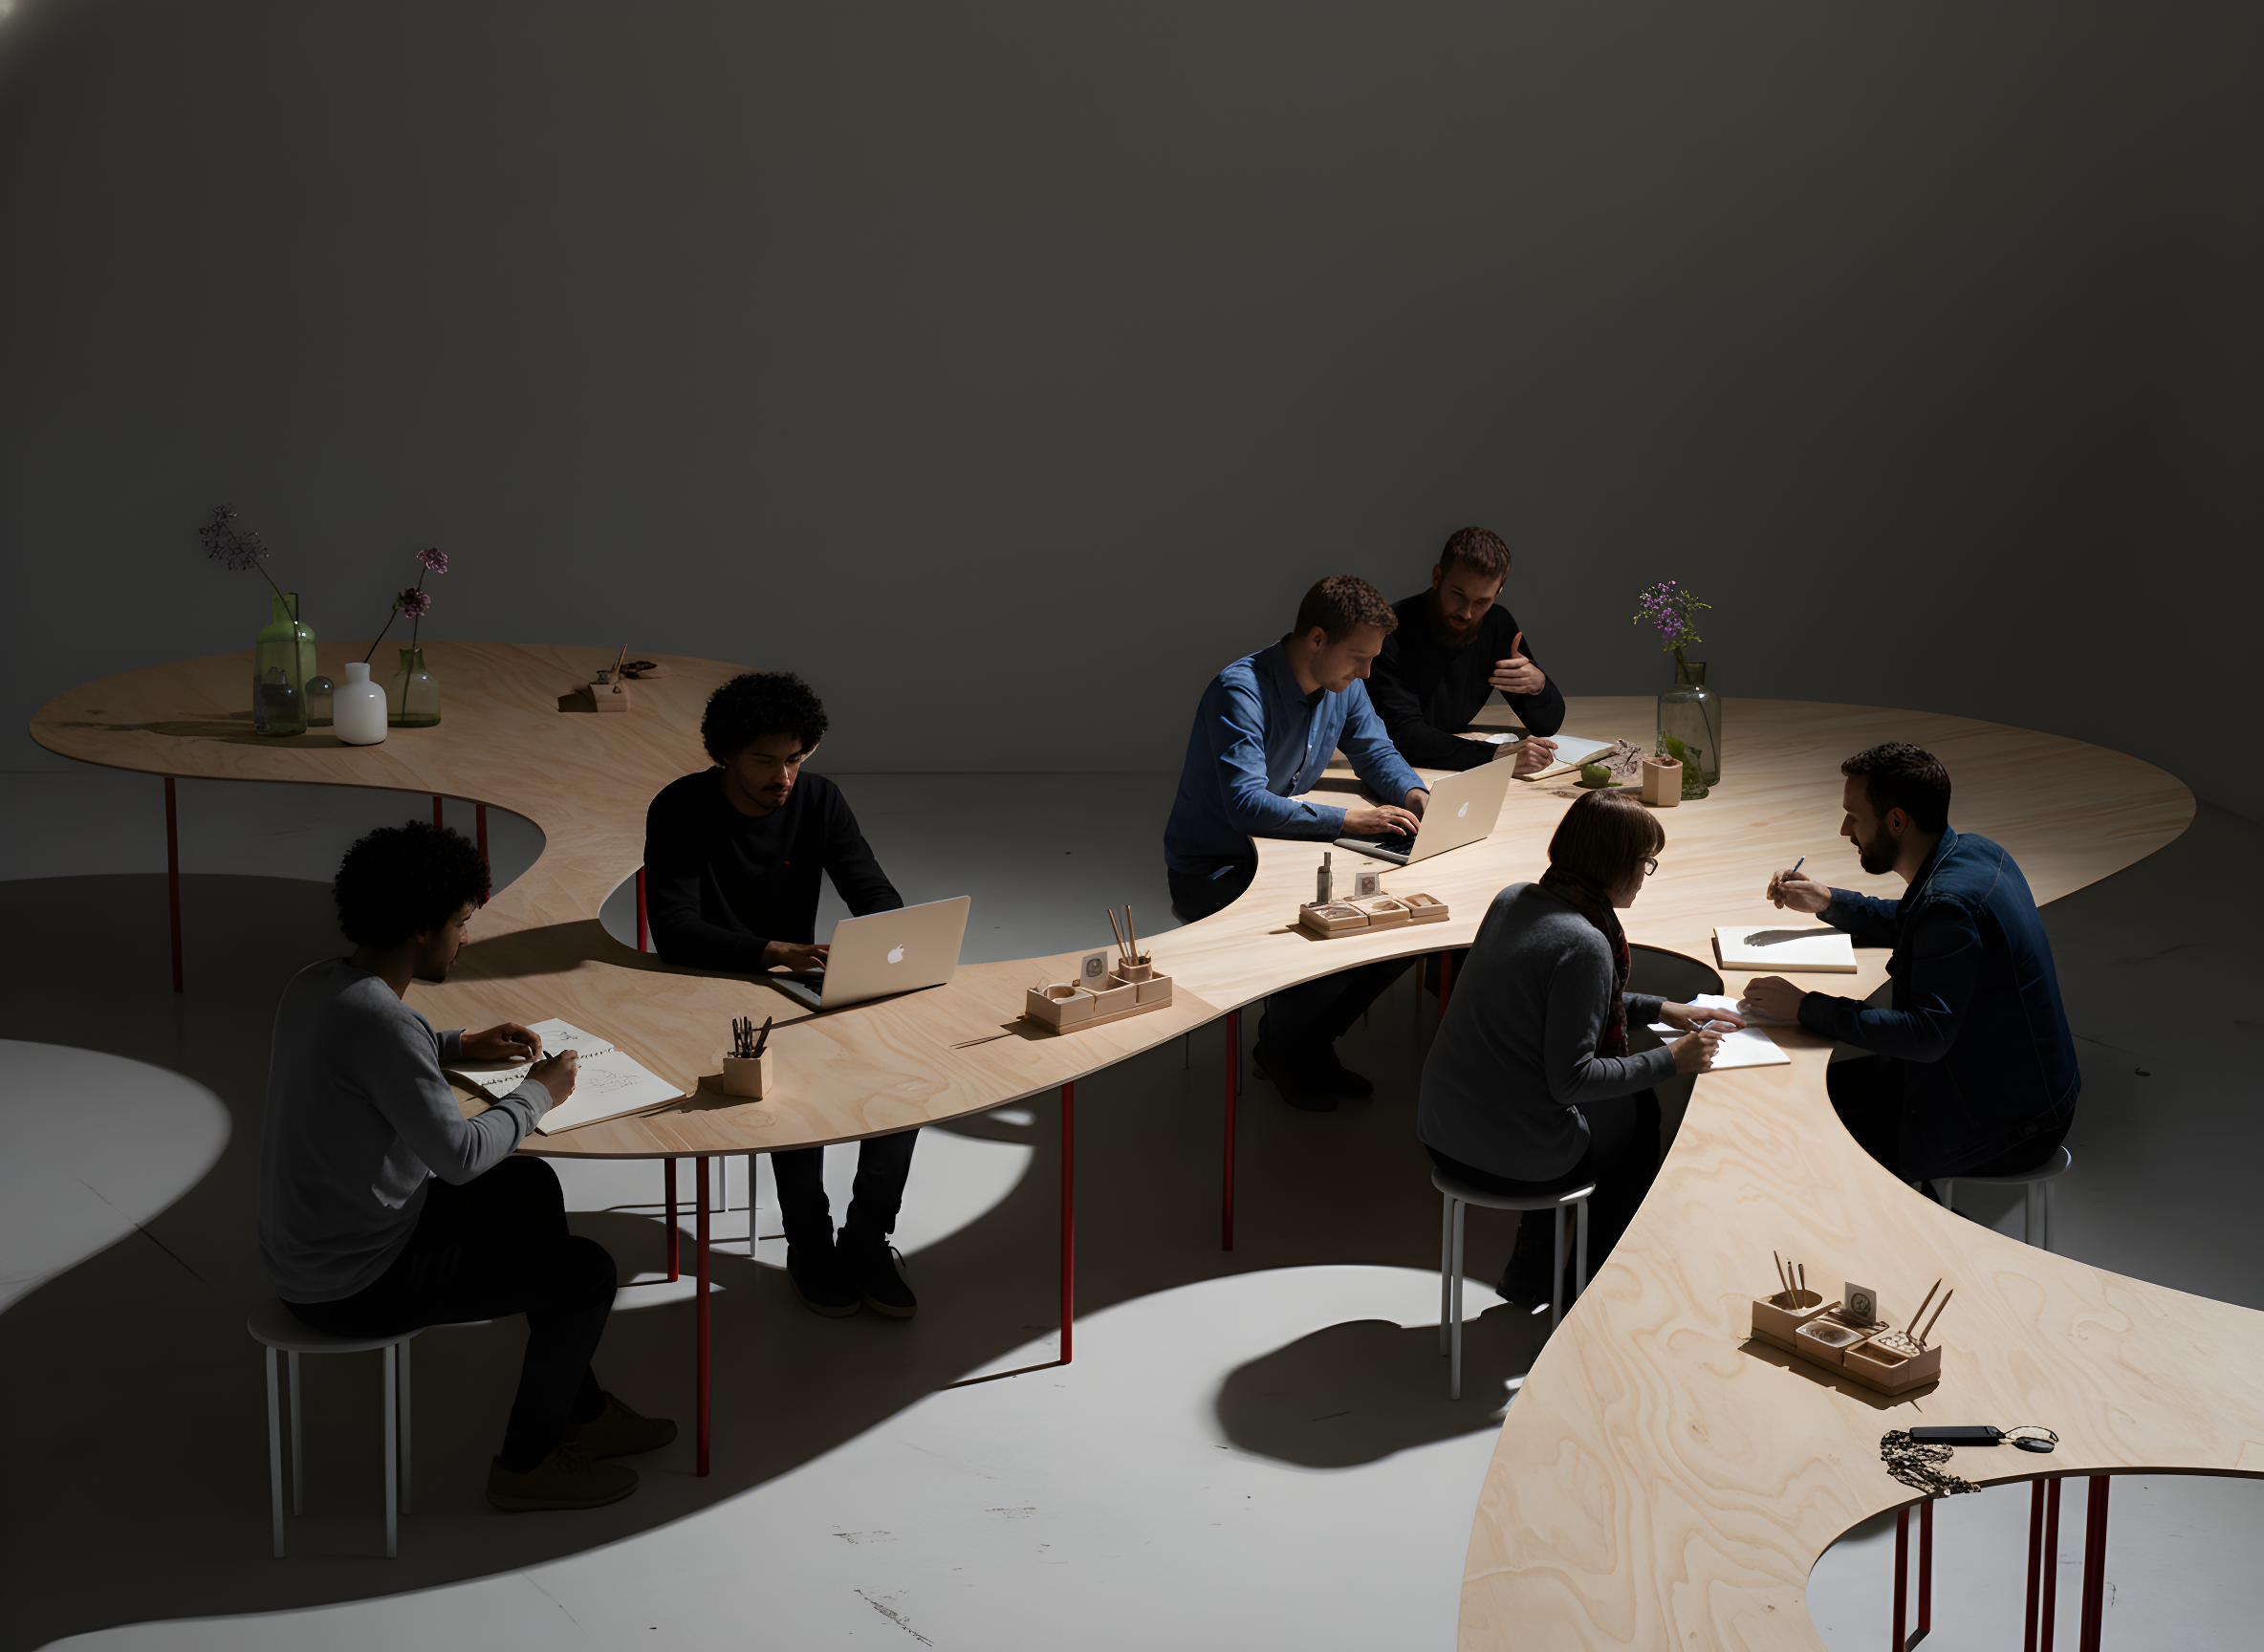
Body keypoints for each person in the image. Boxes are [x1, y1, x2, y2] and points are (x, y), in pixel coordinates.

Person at [261, 820, 674, 1514]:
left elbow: (378, 1050)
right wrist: (542, 1092)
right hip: (352, 1284)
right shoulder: (384, 1026)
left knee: (528, 1185)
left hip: (313, 1253)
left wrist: (459, 1041)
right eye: (460, 922)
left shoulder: (318, 986)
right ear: (424, 926)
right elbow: (456, 1159)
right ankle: (526, 1464)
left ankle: (582, 1408)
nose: (466, 937)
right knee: (587, 1275)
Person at [643, 669, 920, 1319]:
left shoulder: (820, 801)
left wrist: (884, 940)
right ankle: (809, 1243)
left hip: (797, 979)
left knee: (906, 1079)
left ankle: (866, 1239)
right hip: (710, 984)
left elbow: (872, 889)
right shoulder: (680, 807)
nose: (783, 778)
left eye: (795, 760)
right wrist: (773, 952)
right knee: (791, 1090)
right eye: (765, 761)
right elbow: (675, 929)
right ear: (726, 755)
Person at [1418, 791, 1731, 1302]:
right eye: (1644, 863)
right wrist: (1670, 1059)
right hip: (1506, 1156)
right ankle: (1594, 1292)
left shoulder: (1514, 899)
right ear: (1615, 864)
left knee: (1565, 1108)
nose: (1645, 874)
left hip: (1442, 1131)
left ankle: (1530, 1273)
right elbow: (1572, 1079)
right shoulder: (1586, 942)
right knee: (1639, 1112)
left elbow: (1553, 1002)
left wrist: (1661, 1009)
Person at [1746, 742, 2079, 1190]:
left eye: (1854, 815)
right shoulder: (1975, 853)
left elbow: (1924, 1036)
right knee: (1810, 1100)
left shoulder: (1950, 906)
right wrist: (1829, 901)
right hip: (2021, 1092)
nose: (1845, 829)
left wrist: (1805, 1006)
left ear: (1897, 820)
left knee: (1802, 1138)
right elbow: (1916, 920)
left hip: (2009, 1127)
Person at [1164, 575, 1432, 1110]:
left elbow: (1375, 748)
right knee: (1331, 930)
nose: (1366, 673)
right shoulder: (1238, 692)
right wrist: (1350, 820)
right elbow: (1246, 805)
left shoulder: (1345, 686)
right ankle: (1287, 1049)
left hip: (1284, 856)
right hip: (1216, 870)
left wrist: (1414, 791)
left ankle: (1301, 1044)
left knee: (1396, 929)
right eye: (1358, 657)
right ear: (1316, 640)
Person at [1368, 525, 1566, 776]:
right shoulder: (1392, 630)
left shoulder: (1497, 623)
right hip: (1402, 771)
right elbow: (1402, 734)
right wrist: (1495, 756)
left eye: (1482, 601)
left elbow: (1547, 725)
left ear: (1498, 592)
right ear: (1437, 576)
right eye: (1458, 594)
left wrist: (1538, 686)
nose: (1467, 612)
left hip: (1449, 767)